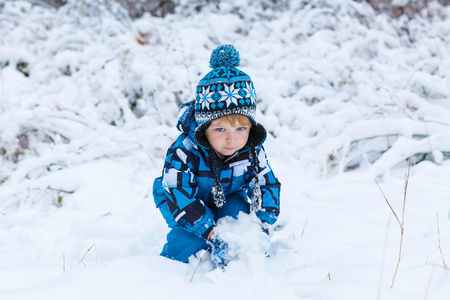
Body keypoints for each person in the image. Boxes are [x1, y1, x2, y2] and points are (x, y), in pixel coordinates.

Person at [152, 44, 281, 265]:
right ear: (204, 127)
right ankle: (176, 268)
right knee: (190, 245)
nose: (232, 139)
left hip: (226, 195)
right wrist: (212, 235)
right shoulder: (184, 151)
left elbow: (265, 183)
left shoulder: (250, 147)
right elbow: (179, 194)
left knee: (239, 223)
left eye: (241, 129)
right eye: (220, 129)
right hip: (181, 200)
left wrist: (260, 225)